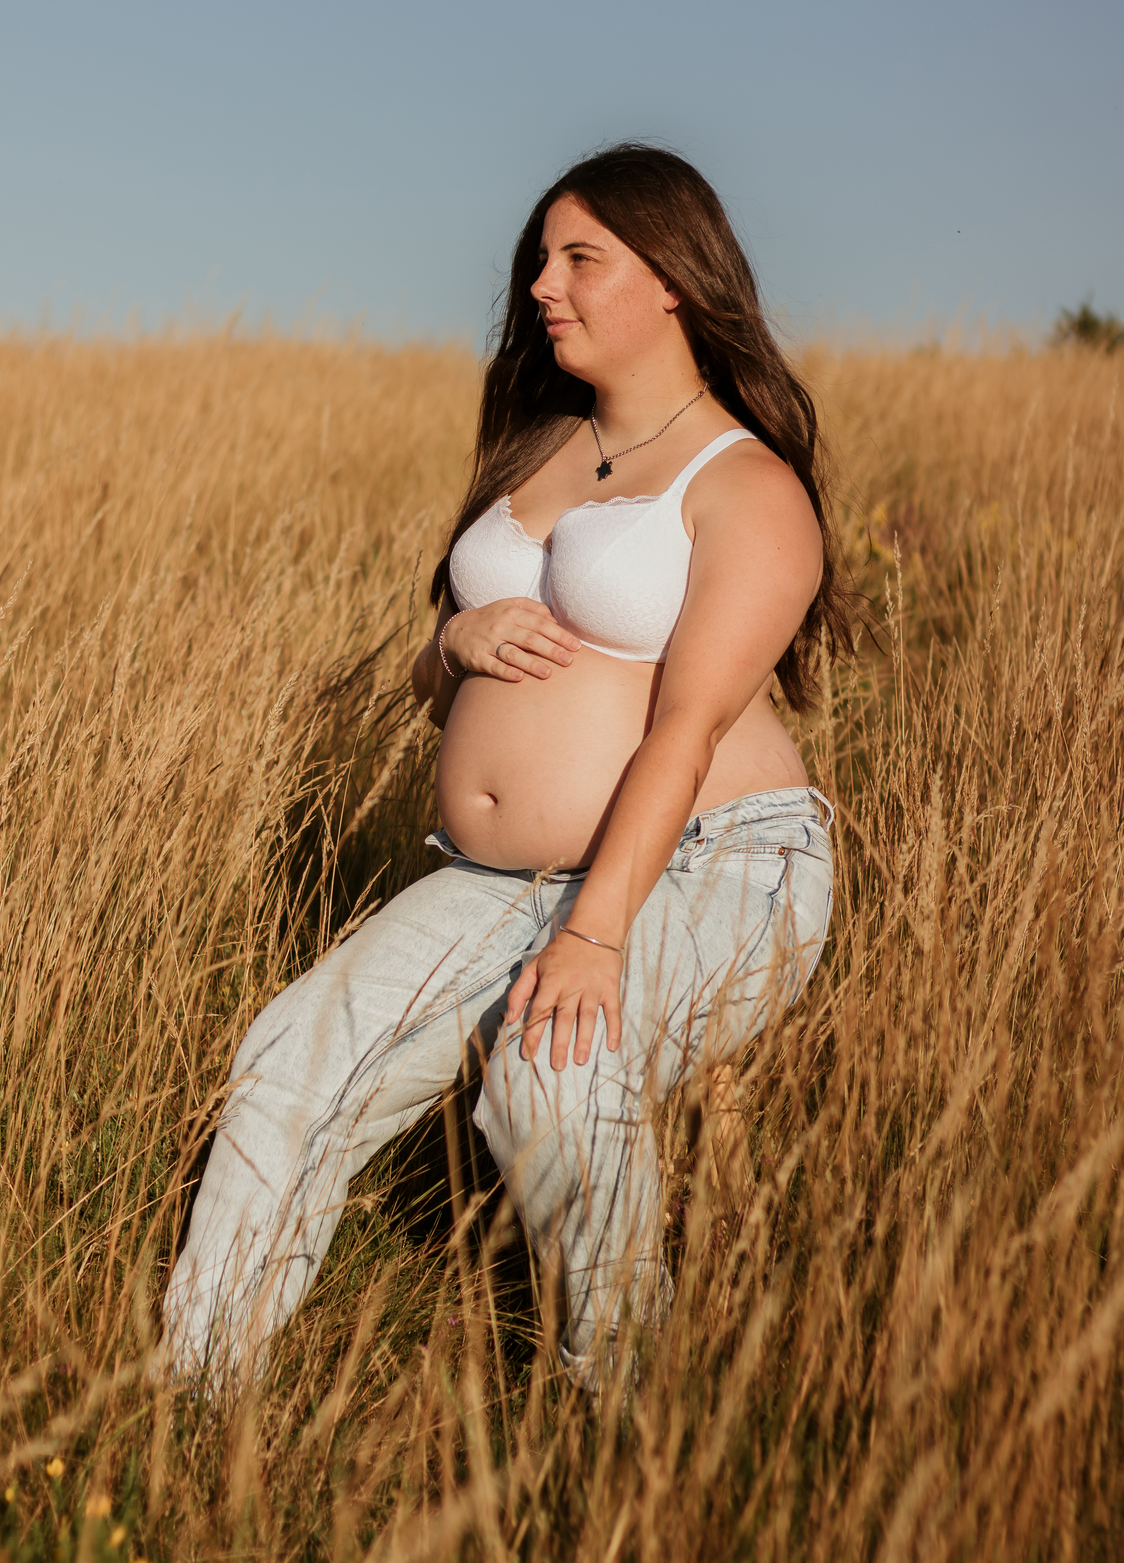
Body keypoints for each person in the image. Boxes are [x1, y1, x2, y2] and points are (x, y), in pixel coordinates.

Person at [157, 143, 853, 1387]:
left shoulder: (745, 484)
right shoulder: (539, 451)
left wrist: (593, 936)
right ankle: (194, 1402)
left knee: (549, 1073)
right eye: (541, 258)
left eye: (582, 258)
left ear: (675, 280)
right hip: (497, 878)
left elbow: (685, 732)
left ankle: (627, 1415)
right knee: (290, 1057)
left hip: (713, 864)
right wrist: (453, 642)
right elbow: (442, 681)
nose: (542, 285)